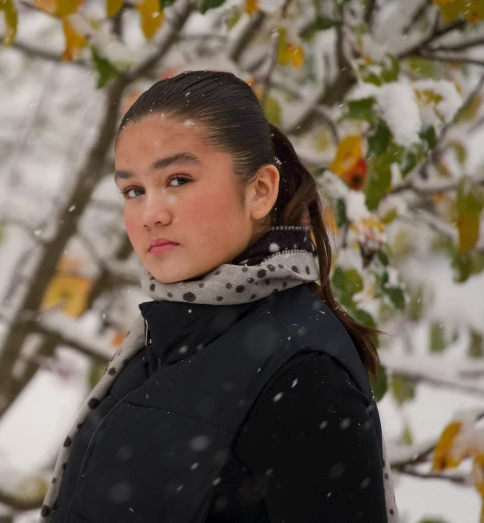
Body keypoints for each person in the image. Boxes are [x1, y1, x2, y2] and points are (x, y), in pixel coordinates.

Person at [39, 70, 399, 523]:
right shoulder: (164, 337)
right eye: (133, 190)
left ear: (259, 191)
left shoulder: (304, 373)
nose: (150, 214)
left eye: (178, 180)